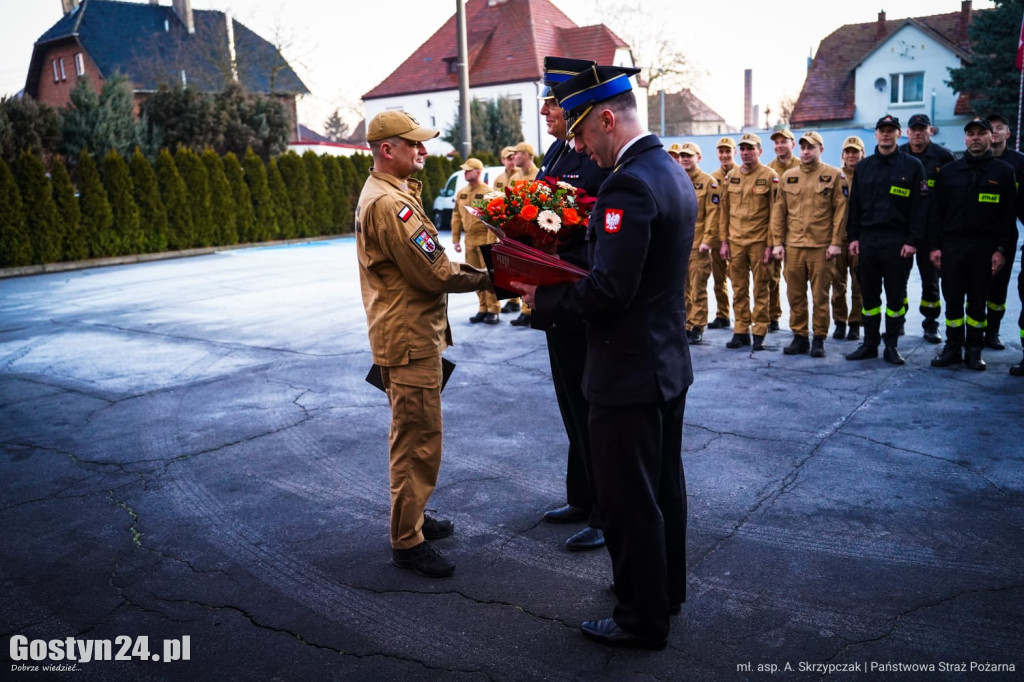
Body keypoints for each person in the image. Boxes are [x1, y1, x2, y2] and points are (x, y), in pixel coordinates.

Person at [515, 63, 695, 650]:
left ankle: (640, 618)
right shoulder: (668, 169)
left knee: (626, 500)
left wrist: (544, 297)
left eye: (582, 133)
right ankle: (663, 592)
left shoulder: (627, 183)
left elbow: (610, 289)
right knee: (664, 488)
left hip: (627, 371)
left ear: (608, 118)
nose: (580, 148)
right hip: (664, 363)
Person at [355, 110, 491, 578]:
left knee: (415, 434)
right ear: (387, 149)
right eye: (414, 144)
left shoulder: (392, 194)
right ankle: (406, 541)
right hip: (408, 341)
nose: (423, 151)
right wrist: (495, 278)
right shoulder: (391, 205)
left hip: (409, 335)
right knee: (417, 439)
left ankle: (413, 515)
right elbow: (434, 271)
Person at [533, 56, 611, 553]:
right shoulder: (557, 155)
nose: (544, 109)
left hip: (579, 293)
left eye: (552, 102)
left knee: (591, 407)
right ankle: (582, 498)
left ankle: (606, 512)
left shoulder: (595, 160)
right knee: (569, 403)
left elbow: (593, 231)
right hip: (553, 295)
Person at [928, 118, 1017, 371]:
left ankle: (974, 351)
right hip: (953, 247)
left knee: (978, 302)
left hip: (985, 247)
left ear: (992, 137)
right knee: (953, 300)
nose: (975, 138)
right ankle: (953, 348)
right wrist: (935, 247)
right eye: (971, 134)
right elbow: (936, 213)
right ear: (965, 139)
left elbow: (1007, 216)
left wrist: (1001, 250)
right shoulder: (949, 172)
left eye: (981, 133)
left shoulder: (1003, 172)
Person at [844, 115, 927, 365]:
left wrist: (912, 240)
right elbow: (855, 206)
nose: (886, 134)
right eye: (882, 130)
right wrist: (854, 237)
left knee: (894, 298)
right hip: (868, 241)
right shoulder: (864, 167)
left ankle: (891, 346)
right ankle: (869, 344)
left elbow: (919, 208)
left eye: (891, 130)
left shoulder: (912, 166)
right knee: (868, 297)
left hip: (897, 242)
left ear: (899, 134)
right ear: (876, 134)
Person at [771, 132, 848, 357]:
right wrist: (778, 243)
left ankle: (819, 338)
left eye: (811, 148)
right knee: (795, 294)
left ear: (820, 150)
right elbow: (779, 212)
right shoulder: (788, 176)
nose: (805, 152)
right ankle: (800, 336)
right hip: (793, 246)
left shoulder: (834, 176)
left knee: (820, 295)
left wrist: (835, 243)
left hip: (822, 247)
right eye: (803, 147)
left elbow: (840, 213)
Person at [718, 132, 779, 351]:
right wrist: (724, 242)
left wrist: (771, 245)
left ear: (759, 151)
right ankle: (741, 330)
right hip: (735, 241)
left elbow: (775, 213)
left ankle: (760, 332)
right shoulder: (731, 176)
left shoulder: (770, 176)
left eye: (750, 149)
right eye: (743, 149)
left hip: (759, 242)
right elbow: (724, 211)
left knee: (761, 289)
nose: (746, 153)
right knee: (738, 288)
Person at [898, 114, 955, 344]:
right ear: (908, 132)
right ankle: (897, 321)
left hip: (932, 232)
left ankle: (931, 325)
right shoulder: (899, 155)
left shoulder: (943, 157)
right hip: (903, 230)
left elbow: (952, 197)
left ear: (930, 131)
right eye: (914, 129)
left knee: (931, 281)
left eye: (923, 129)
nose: (918, 133)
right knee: (897, 279)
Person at [984, 113, 1024, 354]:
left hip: (1006, 234)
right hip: (978, 234)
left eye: (1000, 128)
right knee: (975, 287)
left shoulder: (1019, 163)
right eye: (991, 128)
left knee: (998, 287)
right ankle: (974, 333)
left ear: (1008, 134)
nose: (995, 131)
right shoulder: (978, 161)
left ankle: (993, 332)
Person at [451, 158, 500, 324]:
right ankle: (482, 307)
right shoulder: (462, 192)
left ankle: (493, 309)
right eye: (464, 170)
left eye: (468, 170)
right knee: (474, 276)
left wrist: (491, 243)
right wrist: (455, 239)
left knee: (490, 275)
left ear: (478, 172)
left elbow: (494, 219)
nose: (465, 173)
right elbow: (456, 216)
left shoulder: (488, 192)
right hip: (469, 240)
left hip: (485, 238)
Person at [683, 142, 721, 345]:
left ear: (699, 157)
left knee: (698, 288)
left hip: (699, 245)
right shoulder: (677, 179)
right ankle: (686, 322)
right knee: (682, 289)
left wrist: (708, 240)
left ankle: (697, 325)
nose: (685, 159)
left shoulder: (709, 183)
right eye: (682, 156)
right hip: (681, 245)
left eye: (689, 155)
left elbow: (713, 215)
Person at [831, 136, 866, 341]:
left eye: (856, 151)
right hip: (837, 238)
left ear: (862, 154)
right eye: (848, 152)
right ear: (842, 155)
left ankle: (855, 322)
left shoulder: (867, 175)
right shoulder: (835, 176)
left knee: (859, 283)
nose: (851, 155)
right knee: (837, 283)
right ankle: (839, 321)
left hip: (859, 239)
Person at [767, 129, 800, 332]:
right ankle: (773, 316)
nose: (779, 145)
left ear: (792, 144)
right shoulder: (768, 170)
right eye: (776, 143)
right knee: (772, 277)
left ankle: (800, 326)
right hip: (774, 232)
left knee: (795, 282)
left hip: (797, 233)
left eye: (783, 142)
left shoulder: (801, 167)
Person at [508, 142, 540, 326]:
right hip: (520, 230)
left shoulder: (539, 175)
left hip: (536, 230)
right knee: (521, 271)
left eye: (517, 153)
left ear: (527, 155)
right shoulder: (515, 177)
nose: (514, 157)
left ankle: (534, 309)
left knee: (535, 270)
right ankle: (525, 310)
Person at [708, 138, 737, 330]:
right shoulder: (712, 178)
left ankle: (745, 317)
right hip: (718, 235)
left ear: (734, 152)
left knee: (739, 279)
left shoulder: (741, 174)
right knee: (718, 278)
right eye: (721, 152)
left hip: (737, 234)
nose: (725, 155)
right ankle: (723, 314)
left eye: (728, 151)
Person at [494, 147, 522, 316]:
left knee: (521, 265)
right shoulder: (498, 179)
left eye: (513, 157)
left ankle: (524, 305)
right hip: (503, 225)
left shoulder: (521, 175)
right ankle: (513, 300)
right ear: (503, 160)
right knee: (508, 266)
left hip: (518, 225)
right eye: (507, 158)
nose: (511, 161)